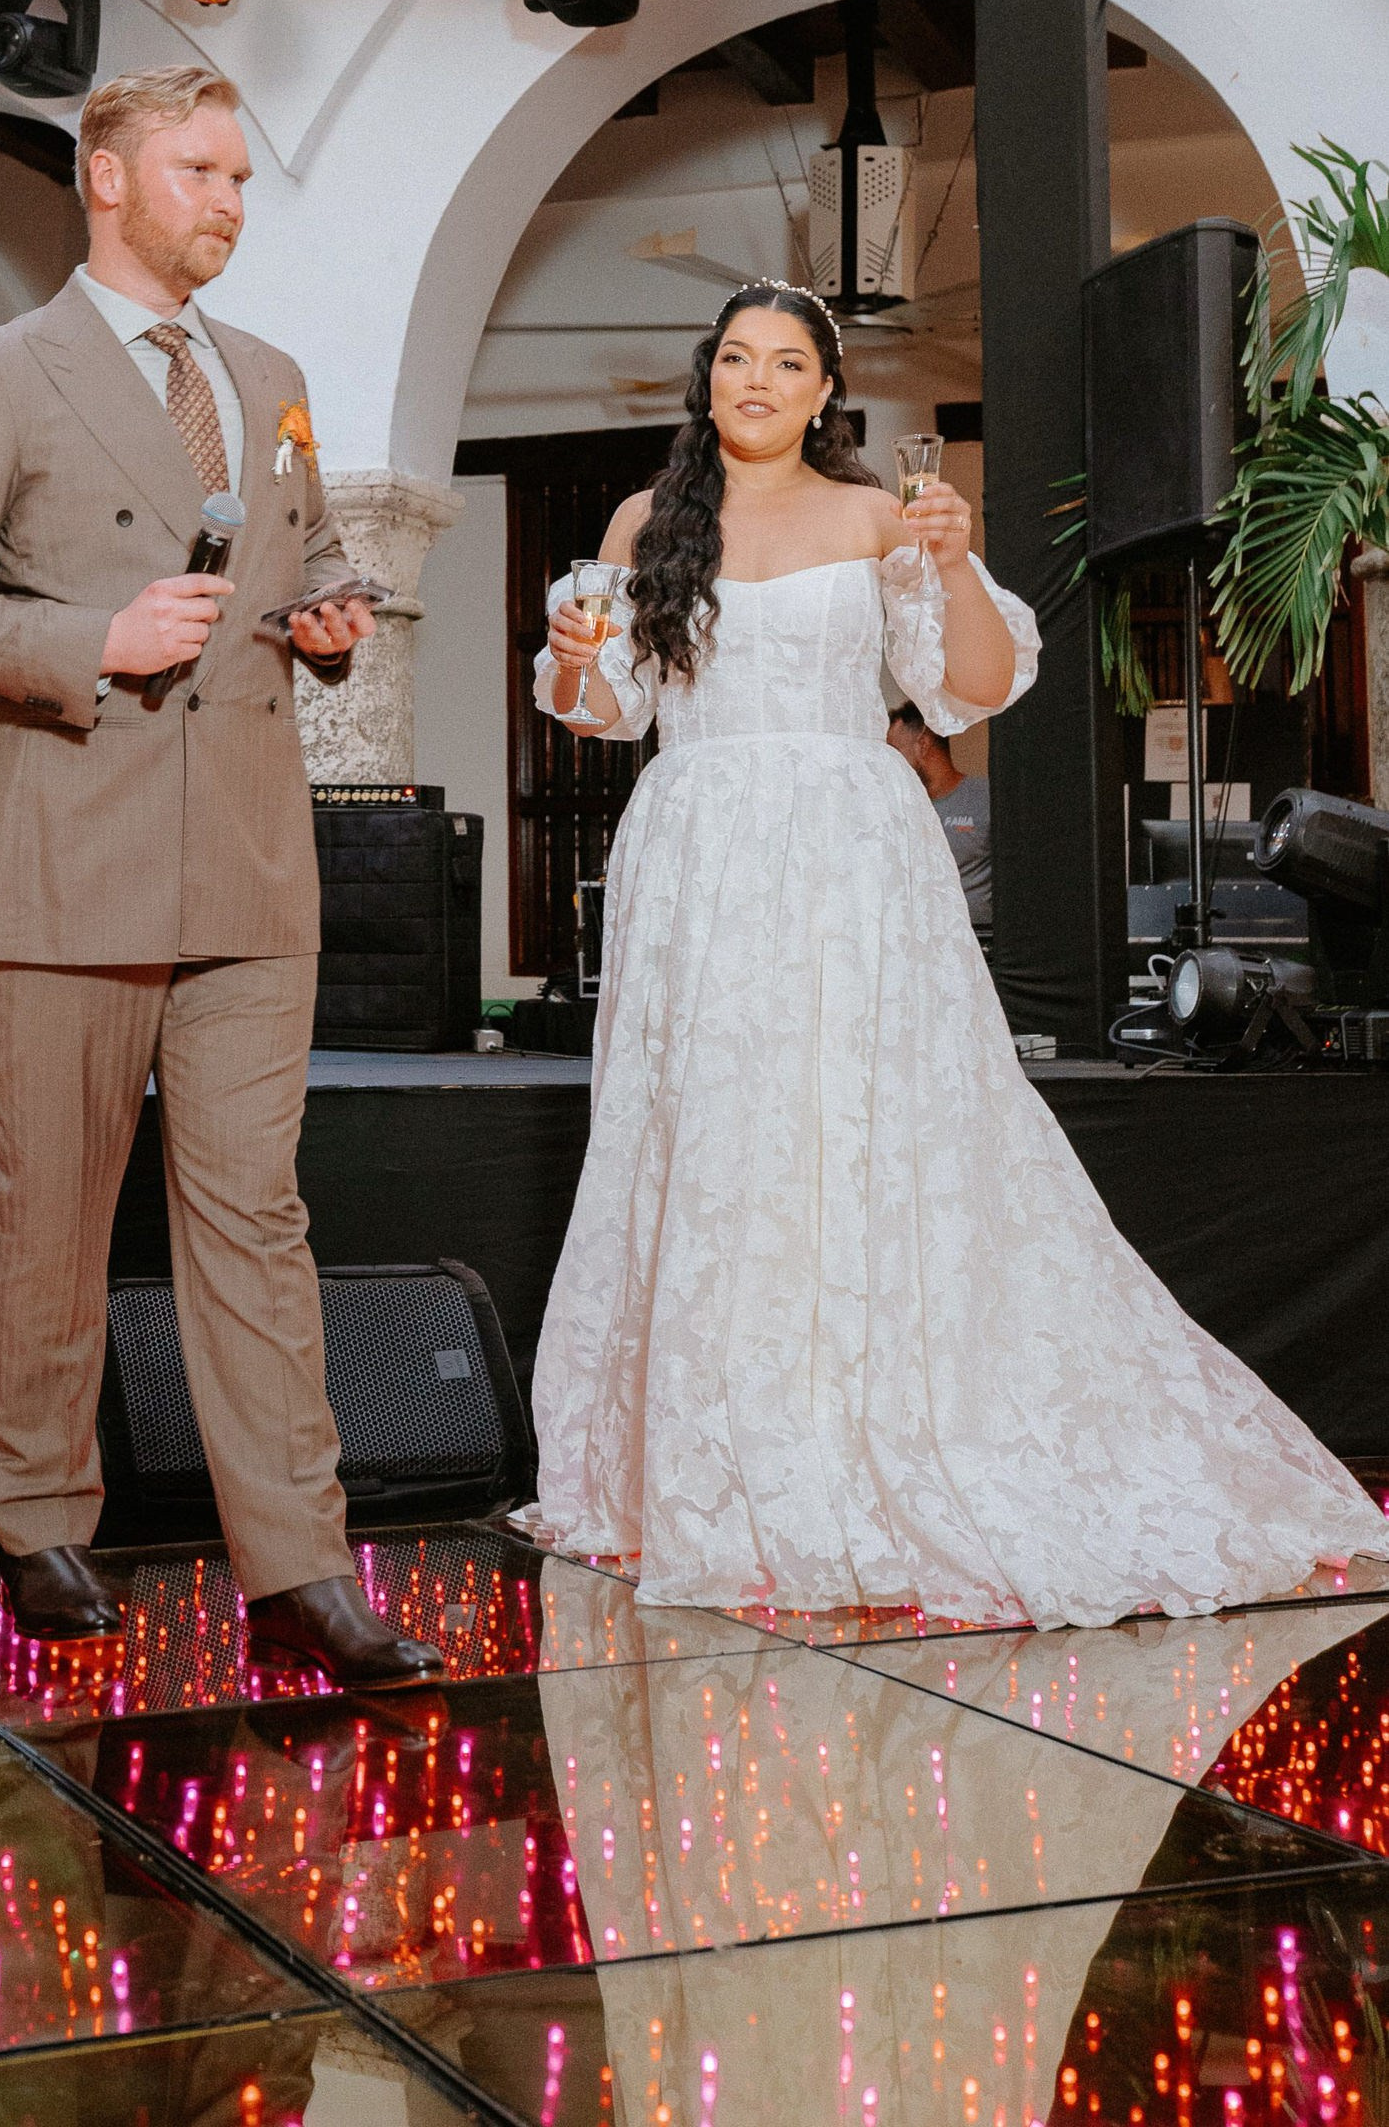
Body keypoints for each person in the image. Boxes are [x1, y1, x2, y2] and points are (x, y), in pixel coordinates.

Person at [530, 281, 1381, 1628]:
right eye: (735, 359)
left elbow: (975, 688)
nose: (755, 380)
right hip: (692, 852)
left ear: (824, 393)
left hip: (846, 857)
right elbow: (600, 712)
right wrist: (577, 652)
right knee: (710, 1139)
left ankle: (879, 1429)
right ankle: (716, 1456)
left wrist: (951, 552)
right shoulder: (645, 525)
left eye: (786, 363)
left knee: (861, 1131)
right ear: (709, 380)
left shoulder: (880, 517)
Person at [0, 64, 444, 1686]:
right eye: (201, 171)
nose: (230, 203)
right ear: (105, 179)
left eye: (244, 178)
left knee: (255, 1215)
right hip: (72, 855)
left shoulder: (267, 376)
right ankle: (41, 1516)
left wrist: (325, 612)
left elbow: (304, 557)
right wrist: (82, 641)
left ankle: (299, 1567)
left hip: (254, 866)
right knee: (52, 1214)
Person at [885, 699, 991, 930]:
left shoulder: (985, 798)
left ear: (922, 744)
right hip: (920, 937)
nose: (888, 764)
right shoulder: (898, 808)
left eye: (894, 752)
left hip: (979, 939)